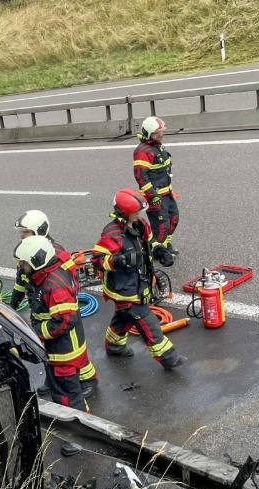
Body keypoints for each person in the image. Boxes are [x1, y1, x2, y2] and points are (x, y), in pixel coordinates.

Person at [92, 189, 187, 369]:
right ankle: (169, 358)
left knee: (123, 318)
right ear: (124, 212)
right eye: (135, 212)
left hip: (138, 284)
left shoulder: (140, 224)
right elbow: (97, 261)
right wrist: (119, 260)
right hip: (125, 290)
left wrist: (160, 251)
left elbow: (150, 243)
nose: (139, 215)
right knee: (149, 324)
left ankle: (114, 346)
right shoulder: (111, 234)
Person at [11, 210, 97, 396]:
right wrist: (16, 297)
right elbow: (22, 277)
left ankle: (88, 378)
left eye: (25, 232)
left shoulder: (55, 252)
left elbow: (69, 279)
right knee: (49, 351)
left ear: (38, 230)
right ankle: (52, 379)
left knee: (74, 351)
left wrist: (61, 302)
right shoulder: (28, 251)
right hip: (40, 308)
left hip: (58, 308)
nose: (21, 235)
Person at [133, 116, 179, 253]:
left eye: (160, 132)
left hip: (167, 194)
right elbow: (141, 176)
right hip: (156, 196)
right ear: (148, 133)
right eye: (156, 133)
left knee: (173, 219)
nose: (160, 135)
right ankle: (157, 251)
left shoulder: (158, 147)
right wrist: (152, 195)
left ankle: (165, 246)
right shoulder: (143, 151)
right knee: (161, 226)